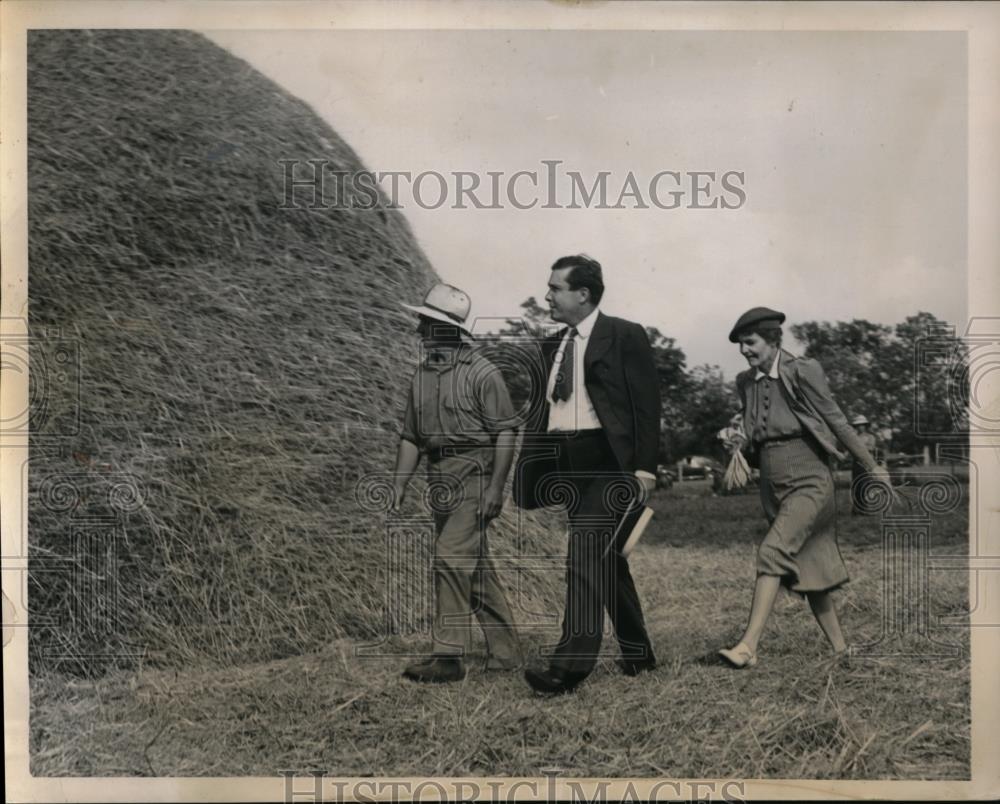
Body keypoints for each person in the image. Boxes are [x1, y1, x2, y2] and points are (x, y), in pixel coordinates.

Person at [513, 255, 660, 695]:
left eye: (555, 288)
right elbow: (542, 413)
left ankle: (569, 664)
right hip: (565, 464)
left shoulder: (624, 336)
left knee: (583, 554)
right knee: (603, 558)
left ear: (584, 294)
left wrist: (645, 468)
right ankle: (638, 654)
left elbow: (647, 406)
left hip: (608, 462)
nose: (547, 296)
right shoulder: (550, 346)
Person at [718, 307, 890, 668]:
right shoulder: (744, 382)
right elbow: (752, 433)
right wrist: (735, 439)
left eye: (750, 343)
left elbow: (837, 422)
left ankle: (748, 646)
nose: (744, 351)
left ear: (772, 339)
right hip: (771, 482)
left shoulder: (803, 370)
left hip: (811, 479)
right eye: (741, 345)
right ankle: (842, 652)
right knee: (809, 568)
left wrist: (871, 466)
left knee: (772, 552)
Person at [391, 283, 523, 683]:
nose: (418, 329)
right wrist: (399, 483)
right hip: (439, 479)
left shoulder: (483, 374)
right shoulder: (421, 376)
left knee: (449, 557)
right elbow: (411, 436)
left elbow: (505, 433)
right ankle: (507, 653)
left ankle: (448, 657)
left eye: (426, 322)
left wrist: (496, 488)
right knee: (474, 567)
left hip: (474, 473)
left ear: (446, 328)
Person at [850, 415, 880, 515]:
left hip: (866, 463)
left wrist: (858, 447)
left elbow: (871, 448)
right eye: (858, 425)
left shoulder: (870, 437)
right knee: (856, 485)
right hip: (856, 463)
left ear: (865, 426)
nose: (860, 427)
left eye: (862, 425)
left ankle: (864, 507)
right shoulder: (853, 437)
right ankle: (856, 508)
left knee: (865, 485)